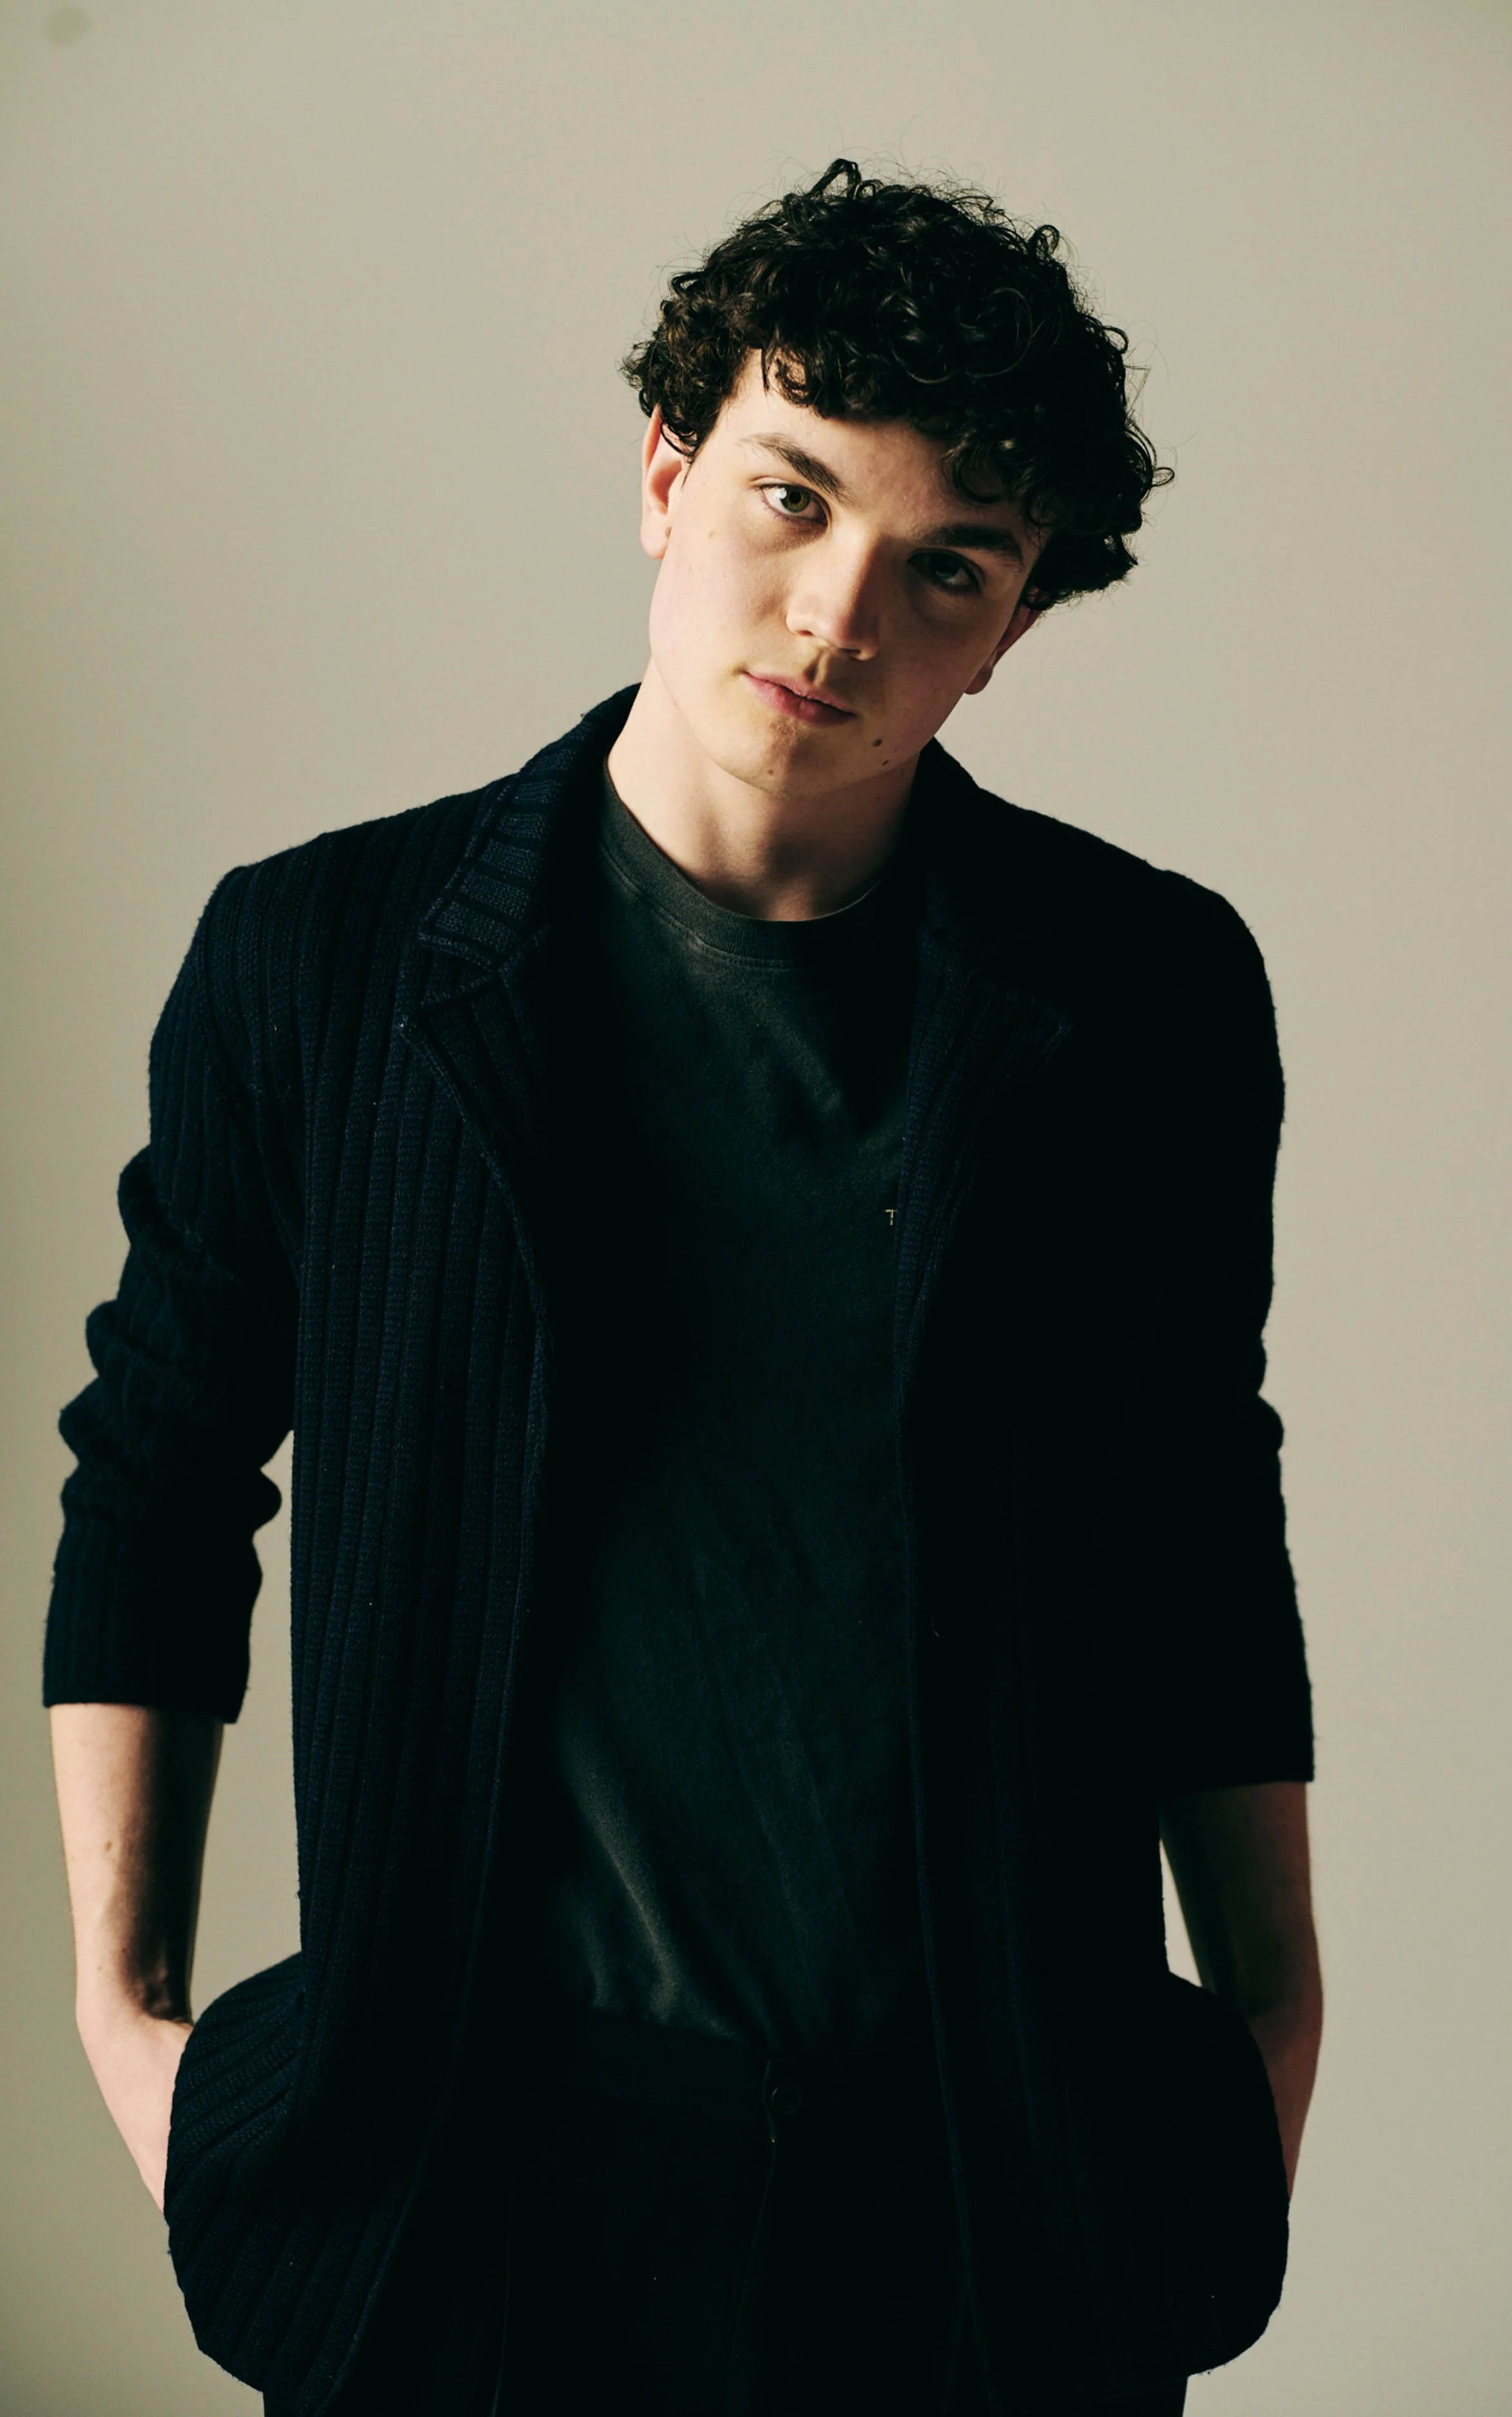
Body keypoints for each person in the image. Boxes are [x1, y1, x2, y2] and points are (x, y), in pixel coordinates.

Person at [44, 161, 1321, 2417]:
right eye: (788, 497)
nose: (838, 613)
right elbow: (158, 1470)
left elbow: (1196, 1515)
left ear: (1009, 628)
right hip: (481, 2172)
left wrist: (1270, 2023)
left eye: (945, 566)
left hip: (982, 2169)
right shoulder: (324, 962)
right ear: (663, 474)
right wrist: (121, 2012)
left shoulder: (1144, 994)